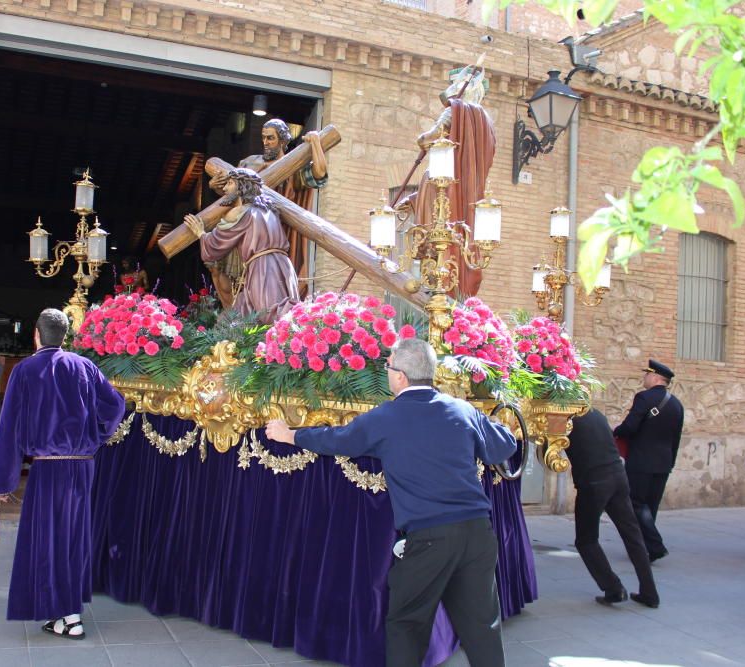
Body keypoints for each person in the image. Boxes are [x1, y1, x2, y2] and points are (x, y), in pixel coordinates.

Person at [266, 338, 515, 667]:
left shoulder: (387, 417)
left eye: (388, 366)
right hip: (477, 534)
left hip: (429, 539)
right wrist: (496, 426)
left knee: (407, 625)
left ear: (400, 376)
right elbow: (503, 448)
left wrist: (290, 435)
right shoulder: (462, 409)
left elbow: (339, 440)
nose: (386, 372)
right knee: (482, 626)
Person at [0, 308, 127, 639]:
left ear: (36, 334)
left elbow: (10, 429)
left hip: (49, 469)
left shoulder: (24, 371)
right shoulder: (85, 367)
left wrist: (3, 482)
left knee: (49, 540)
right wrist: (95, 436)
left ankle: (69, 616)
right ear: (65, 336)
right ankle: (65, 613)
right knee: (74, 539)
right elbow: (116, 405)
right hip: (83, 466)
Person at [395, 67, 496, 299]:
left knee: (438, 248)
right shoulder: (483, 123)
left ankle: (440, 292)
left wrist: (423, 140)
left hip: (446, 198)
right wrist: (414, 199)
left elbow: (428, 137)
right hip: (456, 197)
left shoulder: (457, 111)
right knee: (445, 251)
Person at [208, 118, 327, 305]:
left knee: (268, 284)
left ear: (282, 141)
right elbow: (231, 191)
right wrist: (215, 186)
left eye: (270, 138)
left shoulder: (292, 166)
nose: (265, 142)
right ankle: (232, 317)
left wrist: (315, 143)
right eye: (263, 138)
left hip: (273, 231)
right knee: (221, 271)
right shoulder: (248, 163)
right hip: (243, 229)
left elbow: (319, 175)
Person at [567, 407, 660, 608]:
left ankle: (613, 588)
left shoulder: (563, 418)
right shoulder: (596, 413)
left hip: (593, 482)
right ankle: (650, 592)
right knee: (633, 536)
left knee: (586, 540)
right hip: (618, 475)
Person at [184, 168, 299, 324]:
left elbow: (214, 247)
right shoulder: (270, 210)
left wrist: (200, 233)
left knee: (268, 314)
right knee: (245, 313)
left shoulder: (240, 212)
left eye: (230, 183)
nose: (224, 189)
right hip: (284, 266)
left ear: (241, 187)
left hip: (262, 268)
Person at [613, 359, 684, 563]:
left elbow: (630, 426)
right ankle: (642, 547)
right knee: (650, 506)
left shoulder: (644, 398)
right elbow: (676, 439)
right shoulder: (677, 404)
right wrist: (670, 463)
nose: (644, 378)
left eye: (647, 374)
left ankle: (654, 546)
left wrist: (616, 431)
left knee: (635, 503)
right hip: (663, 462)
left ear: (655, 377)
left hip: (641, 461)